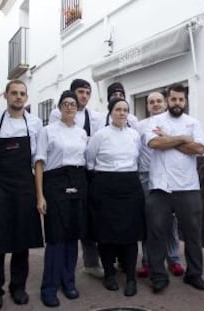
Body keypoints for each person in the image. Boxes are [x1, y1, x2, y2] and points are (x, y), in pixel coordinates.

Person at [0, 80, 43, 311]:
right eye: (14, 93)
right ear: (5, 95)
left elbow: (38, 162)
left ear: (26, 97)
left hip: (24, 186)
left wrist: (40, 195)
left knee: (21, 240)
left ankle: (18, 287)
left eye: (22, 94)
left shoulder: (34, 123)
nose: (18, 97)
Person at [145, 84, 204, 293]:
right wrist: (183, 139)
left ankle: (194, 274)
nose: (177, 103)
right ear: (168, 100)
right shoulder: (155, 121)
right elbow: (154, 143)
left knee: (192, 234)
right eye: (173, 99)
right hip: (160, 186)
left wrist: (168, 138)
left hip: (188, 186)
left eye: (181, 100)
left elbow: (199, 149)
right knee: (156, 233)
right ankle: (158, 276)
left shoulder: (193, 122)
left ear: (186, 101)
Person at [87, 97, 145, 297]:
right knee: (106, 234)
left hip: (130, 185)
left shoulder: (135, 135)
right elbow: (90, 160)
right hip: (105, 185)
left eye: (125, 110)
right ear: (110, 112)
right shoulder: (100, 135)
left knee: (130, 235)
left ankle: (130, 278)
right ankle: (109, 274)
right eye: (118, 109)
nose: (122, 113)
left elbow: (137, 157)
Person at [35, 90, 88, 307]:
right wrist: (40, 196)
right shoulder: (47, 131)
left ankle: (68, 281)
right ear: (59, 107)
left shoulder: (82, 132)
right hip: (54, 181)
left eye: (73, 104)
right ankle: (49, 287)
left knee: (72, 235)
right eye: (65, 103)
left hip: (78, 180)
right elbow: (39, 163)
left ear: (77, 108)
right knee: (56, 236)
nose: (69, 107)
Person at [50, 79, 104, 278]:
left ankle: (91, 262)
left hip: (88, 171)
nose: (84, 96)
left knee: (90, 216)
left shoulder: (94, 116)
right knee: (68, 219)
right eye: (80, 92)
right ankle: (62, 266)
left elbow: (95, 142)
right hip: (64, 173)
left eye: (87, 93)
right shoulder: (58, 114)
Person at [137, 91, 184, 278]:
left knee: (171, 220)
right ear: (147, 106)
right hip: (146, 176)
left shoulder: (174, 122)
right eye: (151, 102)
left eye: (158, 101)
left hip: (169, 175)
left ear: (165, 103)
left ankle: (173, 259)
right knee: (149, 220)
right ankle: (148, 261)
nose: (155, 104)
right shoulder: (140, 126)